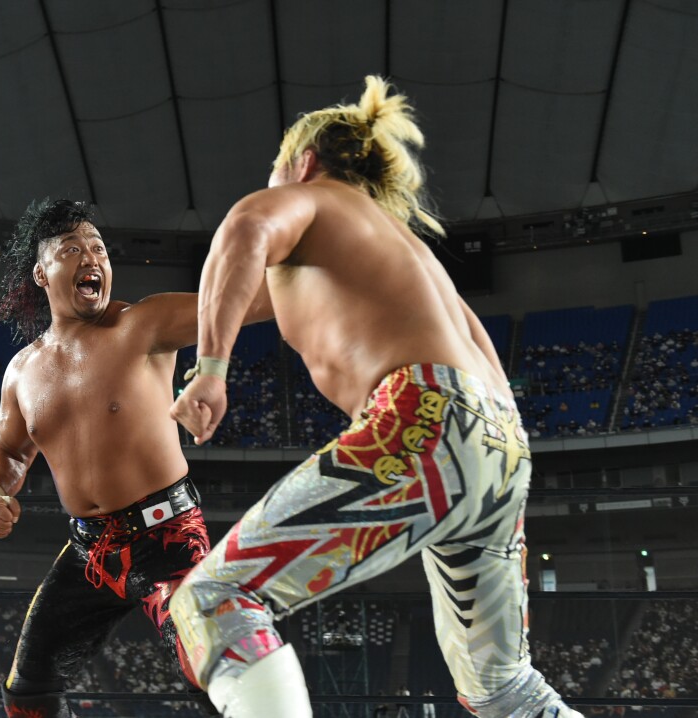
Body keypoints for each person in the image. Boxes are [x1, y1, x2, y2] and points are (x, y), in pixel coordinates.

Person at [169, 76, 583, 718]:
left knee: (212, 600)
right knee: (503, 689)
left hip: (426, 421)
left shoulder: (311, 201)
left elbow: (246, 226)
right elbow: (242, 285)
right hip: (502, 451)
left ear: (303, 163)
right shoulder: (401, 248)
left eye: (275, 170)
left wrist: (211, 368)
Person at [0, 198, 270, 717]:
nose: (91, 257)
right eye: (72, 249)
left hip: (168, 536)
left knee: (215, 672)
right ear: (42, 274)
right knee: (28, 690)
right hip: (87, 552)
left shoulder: (145, 324)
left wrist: (309, 262)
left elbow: (243, 301)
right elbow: (8, 450)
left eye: (98, 249)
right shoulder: (22, 371)